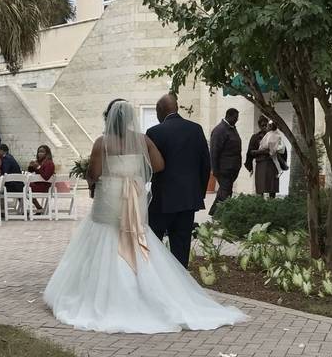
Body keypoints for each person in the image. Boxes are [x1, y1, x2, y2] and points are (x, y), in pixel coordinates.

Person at [44, 99, 246, 334]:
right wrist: (134, 172)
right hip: (134, 197)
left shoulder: (102, 143)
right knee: (140, 241)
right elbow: (159, 165)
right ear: (130, 119)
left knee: (103, 240)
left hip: (110, 200)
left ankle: (107, 296)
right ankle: (147, 293)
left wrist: (99, 179)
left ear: (108, 118)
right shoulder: (142, 140)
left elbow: (95, 172)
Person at [145, 94, 211, 268]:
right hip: (188, 199)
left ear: (160, 111)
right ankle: (181, 282)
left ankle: (156, 277)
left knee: (153, 242)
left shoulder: (154, 132)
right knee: (181, 246)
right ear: (176, 107)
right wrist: (199, 193)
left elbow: (149, 166)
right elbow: (206, 164)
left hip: (162, 199)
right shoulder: (196, 129)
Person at [208, 108, 242, 215]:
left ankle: (215, 213)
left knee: (226, 191)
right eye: (236, 118)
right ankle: (218, 214)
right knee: (225, 191)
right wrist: (214, 169)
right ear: (229, 116)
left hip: (233, 168)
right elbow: (214, 151)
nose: (237, 120)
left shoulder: (232, 129)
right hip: (224, 169)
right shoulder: (220, 130)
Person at [245, 116, 278, 198]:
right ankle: (260, 206)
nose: (264, 127)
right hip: (261, 164)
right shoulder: (255, 137)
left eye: (266, 125)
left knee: (272, 188)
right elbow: (250, 152)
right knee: (260, 188)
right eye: (262, 125)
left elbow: (278, 150)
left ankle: (272, 206)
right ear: (259, 126)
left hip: (272, 165)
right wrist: (262, 151)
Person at [28, 144, 55, 212]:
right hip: (37, 184)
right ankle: (38, 208)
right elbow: (31, 171)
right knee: (21, 187)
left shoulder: (49, 163)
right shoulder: (40, 162)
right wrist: (31, 166)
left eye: (42, 152)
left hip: (44, 187)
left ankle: (38, 208)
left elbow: (46, 177)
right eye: (39, 152)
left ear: (47, 153)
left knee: (22, 188)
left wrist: (38, 167)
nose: (40, 154)